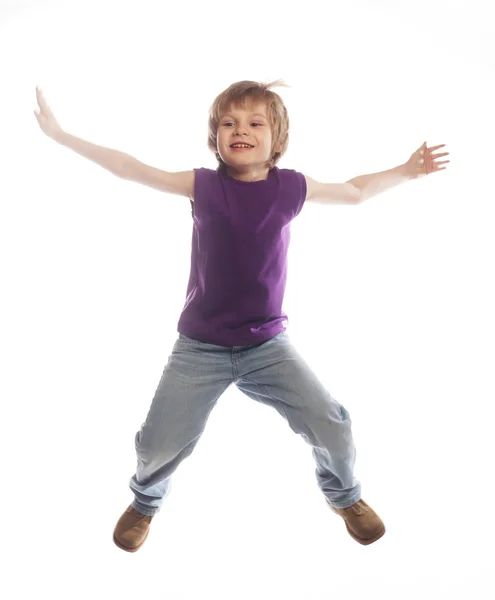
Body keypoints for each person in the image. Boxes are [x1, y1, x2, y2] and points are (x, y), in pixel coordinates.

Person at [34, 79, 449, 552]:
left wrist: (407, 170)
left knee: (332, 424)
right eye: (228, 123)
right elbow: (129, 168)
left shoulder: (290, 186)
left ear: (277, 139)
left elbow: (354, 191)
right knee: (157, 445)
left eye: (255, 122)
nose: (240, 130)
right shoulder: (204, 186)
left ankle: (344, 496)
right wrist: (62, 135)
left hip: (266, 346)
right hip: (200, 347)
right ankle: (145, 502)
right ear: (215, 138)